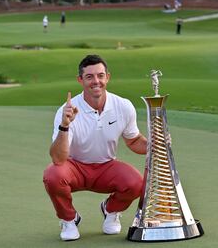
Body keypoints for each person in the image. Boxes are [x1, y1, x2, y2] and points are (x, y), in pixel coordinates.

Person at [43, 55, 147, 241]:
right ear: (80, 80)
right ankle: (69, 219)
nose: (96, 81)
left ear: (108, 77)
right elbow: (59, 159)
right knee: (53, 175)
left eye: (100, 75)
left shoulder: (123, 106)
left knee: (135, 183)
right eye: (89, 77)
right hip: (74, 167)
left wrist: (156, 145)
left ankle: (110, 210)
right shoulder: (66, 110)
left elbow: (133, 141)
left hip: (106, 166)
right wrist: (65, 125)